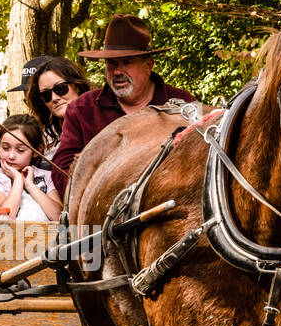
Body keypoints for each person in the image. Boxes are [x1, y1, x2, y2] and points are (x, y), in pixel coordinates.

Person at [50, 14, 193, 195]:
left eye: (127, 62)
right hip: (101, 216)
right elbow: (62, 172)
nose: (117, 71)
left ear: (148, 65)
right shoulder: (81, 110)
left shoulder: (183, 105)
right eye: (111, 63)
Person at [0, 114, 61, 222]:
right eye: (5, 148)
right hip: (12, 236)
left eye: (20, 150)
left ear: (36, 151)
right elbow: (5, 218)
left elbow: (59, 217)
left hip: (48, 236)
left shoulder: (46, 176)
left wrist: (30, 185)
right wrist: (18, 180)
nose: (11, 156)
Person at [24, 56, 90, 159]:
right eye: (46, 95)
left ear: (77, 86)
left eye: (60, 88)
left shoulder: (103, 120)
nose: (54, 98)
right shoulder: (44, 139)